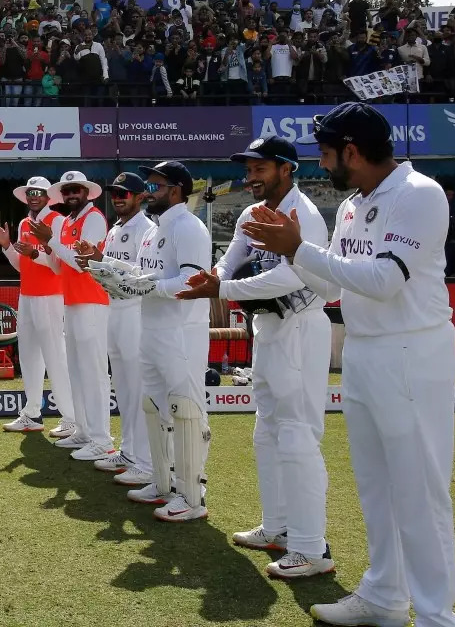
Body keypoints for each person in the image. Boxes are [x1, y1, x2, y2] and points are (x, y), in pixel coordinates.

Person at [243, 102, 455, 627]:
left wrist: (300, 248)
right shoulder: (352, 206)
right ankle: (385, 597)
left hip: (411, 351)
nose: (322, 165)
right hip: (363, 349)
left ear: (353, 151)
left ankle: (436, 616)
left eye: (326, 154)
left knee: (419, 489)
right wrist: (292, 253)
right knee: (377, 485)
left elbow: (386, 280)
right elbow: (334, 285)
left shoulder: (419, 194)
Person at [176, 136, 338, 578]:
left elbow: (292, 276)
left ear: (286, 168)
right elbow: (230, 261)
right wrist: (211, 279)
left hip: (302, 326)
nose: (250, 177)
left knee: (298, 435)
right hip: (266, 328)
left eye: (259, 168)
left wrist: (223, 289)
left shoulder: (302, 215)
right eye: (248, 169)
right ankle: (279, 527)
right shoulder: (250, 213)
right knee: (266, 431)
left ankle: (311, 547)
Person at [122, 161, 212, 523]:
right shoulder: (155, 229)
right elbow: (146, 274)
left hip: (181, 331)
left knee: (187, 411)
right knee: (155, 406)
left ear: (175, 190)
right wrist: (109, 268)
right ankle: (163, 483)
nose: (147, 191)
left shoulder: (189, 227)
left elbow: (194, 281)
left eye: (154, 186)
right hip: (152, 328)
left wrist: (147, 287)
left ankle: (192, 495)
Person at [0, 177, 74, 436]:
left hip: (50, 297)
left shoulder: (56, 221)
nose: (34, 196)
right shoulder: (25, 222)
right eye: (30, 193)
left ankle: (70, 418)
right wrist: (6, 246)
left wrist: (35, 255)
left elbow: (59, 263)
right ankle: (32, 413)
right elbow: (22, 266)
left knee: (55, 357)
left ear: (49, 196)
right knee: (29, 356)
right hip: (27, 296)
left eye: (39, 192)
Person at [86, 173, 154, 485]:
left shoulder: (147, 229)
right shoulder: (115, 229)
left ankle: (146, 461)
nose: (118, 198)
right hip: (114, 307)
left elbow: (139, 275)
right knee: (123, 387)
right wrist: (96, 262)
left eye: (125, 194)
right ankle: (128, 451)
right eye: (114, 193)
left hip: (134, 311)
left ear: (140, 197)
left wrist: (103, 262)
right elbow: (111, 270)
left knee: (138, 388)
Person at [41, 171, 114, 462]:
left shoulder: (94, 218)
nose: (72, 194)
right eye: (67, 191)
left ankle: (103, 440)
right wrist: (49, 247)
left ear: (87, 192)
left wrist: (54, 243)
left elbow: (84, 264)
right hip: (72, 301)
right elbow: (59, 268)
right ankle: (84, 431)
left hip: (93, 301)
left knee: (94, 372)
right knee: (77, 370)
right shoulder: (69, 222)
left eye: (76, 190)